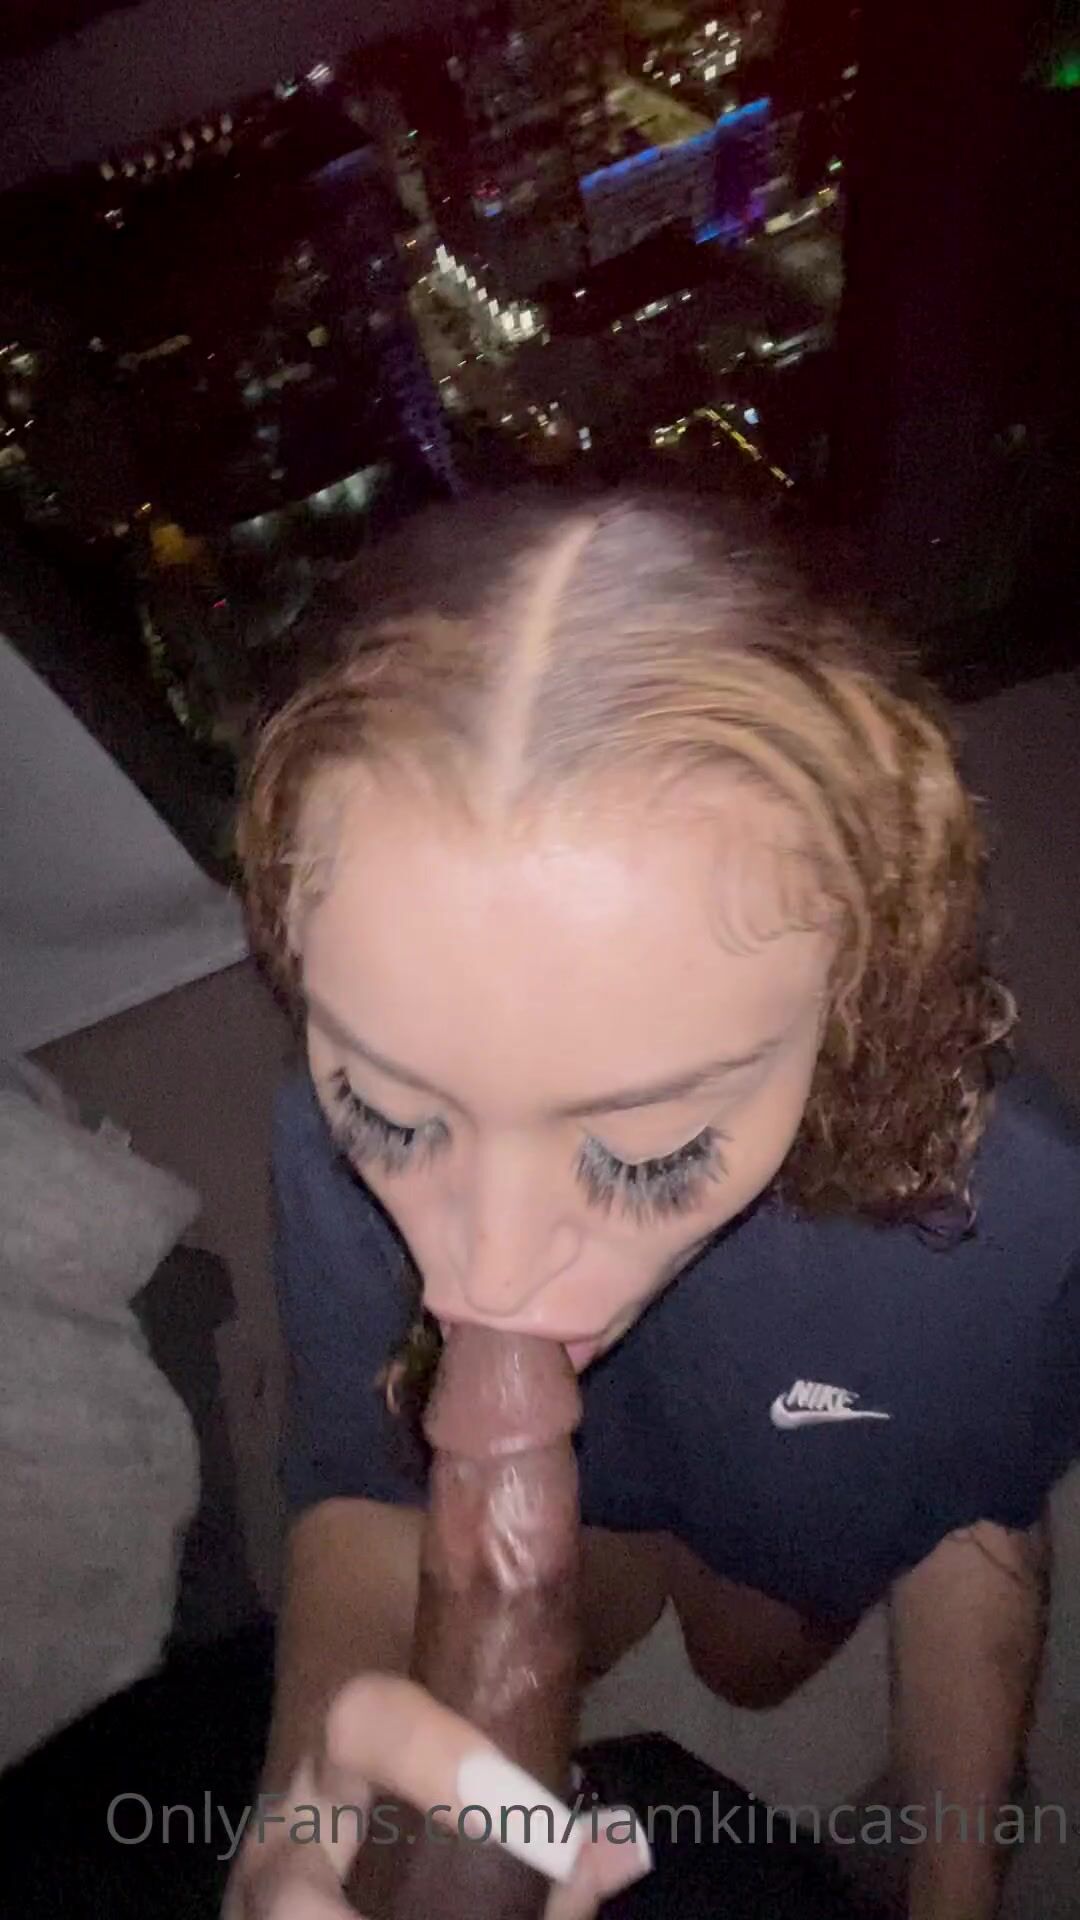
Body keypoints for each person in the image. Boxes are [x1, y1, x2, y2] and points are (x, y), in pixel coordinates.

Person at [228, 496, 1080, 1920]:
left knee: (750, 1663)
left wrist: (956, 1889)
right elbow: (365, 1492)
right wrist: (303, 1812)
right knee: (572, 1646)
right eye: (396, 1109)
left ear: (859, 991)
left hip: (790, 1537)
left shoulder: (1012, 1210)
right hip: (600, 1521)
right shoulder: (320, 1140)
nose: (485, 1275)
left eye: (644, 1150)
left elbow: (977, 1529)